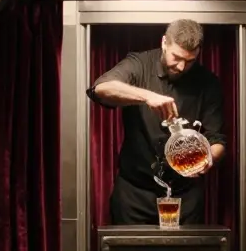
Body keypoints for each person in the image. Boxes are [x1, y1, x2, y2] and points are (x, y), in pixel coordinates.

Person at [87, 19, 227, 226]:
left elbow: (217, 141)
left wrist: (207, 159)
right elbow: (101, 89)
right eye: (176, 57)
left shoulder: (208, 82)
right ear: (164, 43)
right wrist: (147, 96)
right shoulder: (139, 63)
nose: (181, 66)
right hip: (134, 194)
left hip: (185, 195)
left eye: (189, 61)